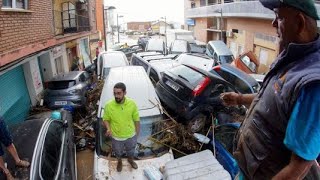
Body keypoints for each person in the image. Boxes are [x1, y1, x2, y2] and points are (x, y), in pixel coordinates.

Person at [220, 0, 320, 179]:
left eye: (279, 17)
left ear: (299, 22)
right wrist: (239, 98)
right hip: (248, 168)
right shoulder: (291, 59)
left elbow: (298, 168)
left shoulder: (312, 84)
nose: (273, 23)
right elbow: (273, 99)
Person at [103, 82, 140, 172]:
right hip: (116, 137)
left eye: (119, 93)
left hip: (130, 136)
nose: (116, 96)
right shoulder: (108, 105)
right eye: (114, 93)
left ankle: (130, 160)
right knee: (118, 152)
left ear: (125, 93)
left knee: (131, 151)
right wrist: (108, 128)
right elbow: (105, 119)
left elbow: (136, 120)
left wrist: (136, 134)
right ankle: (119, 162)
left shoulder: (132, 104)